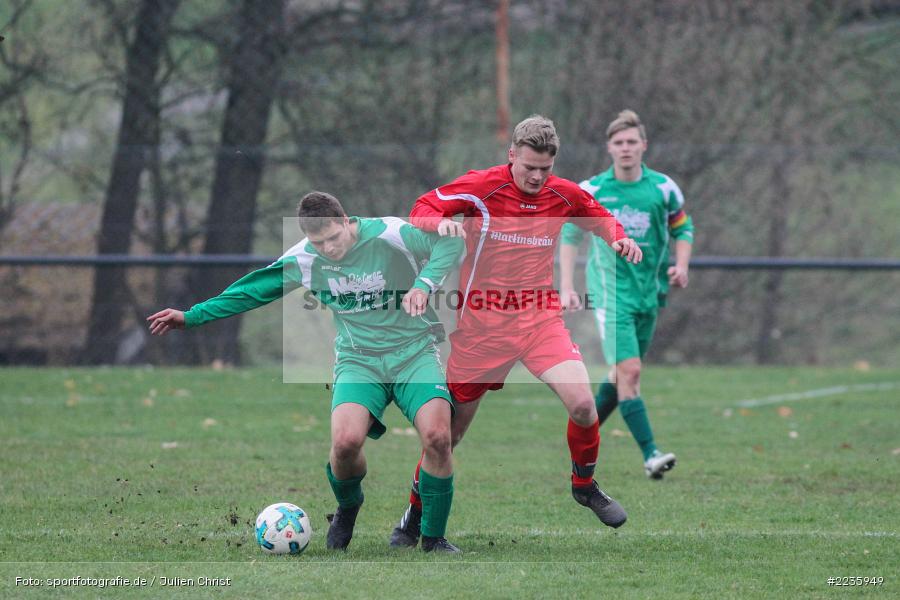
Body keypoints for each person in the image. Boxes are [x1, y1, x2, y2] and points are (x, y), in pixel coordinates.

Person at [147, 191, 465, 552]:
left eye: (333, 237)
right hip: (359, 361)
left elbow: (451, 245)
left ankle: (433, 538)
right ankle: (348, 507)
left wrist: (424, 284)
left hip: (414, 354)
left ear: (347, 222)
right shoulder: (304, 258)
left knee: (438, 437)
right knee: (345, 444)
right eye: (319, 242)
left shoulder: (391, 234)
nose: (328, 248)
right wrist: (191, 316)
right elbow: (253, 290)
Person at [388, 115, 643, 548]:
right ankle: (413, 518)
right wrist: (442, 224)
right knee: (448, 436)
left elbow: (598, 215)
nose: (537, 177)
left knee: (583, 404)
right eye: (529, 168)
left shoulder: (562, 193)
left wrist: (618, 237)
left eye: (545, 169)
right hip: (483, 327)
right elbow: (421, 208)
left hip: (539, 320)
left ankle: (584, 485)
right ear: (512, 156)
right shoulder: (482, 187)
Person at [559, 110, 694, 479]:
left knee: (622, 377)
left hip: (649, 295)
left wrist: (681, 265)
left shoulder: (663, 188)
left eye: (632, 141)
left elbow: (683, 227)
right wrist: (568, 286)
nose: (625, 148)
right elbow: (570, 235)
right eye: (618, 143)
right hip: (610, 295)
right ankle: (651, 454)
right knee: (630, 371)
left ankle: (581, 435)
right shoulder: (594, 191)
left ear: (643, 146)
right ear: (609, 148)